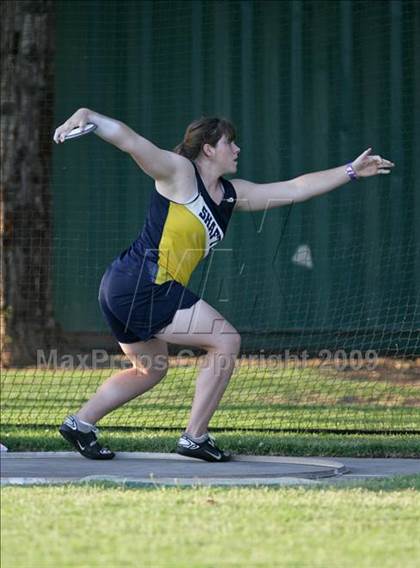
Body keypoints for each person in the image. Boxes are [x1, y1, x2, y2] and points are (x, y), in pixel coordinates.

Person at [53, 109, 394, 461]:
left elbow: (294, 188)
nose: (237, 149)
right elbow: (132, 142)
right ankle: (195, 437)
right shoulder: (180, 173)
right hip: (143, 283)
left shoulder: (231, 195)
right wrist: (87, 115)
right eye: (229, 142)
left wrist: (352, 171)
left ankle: (81, 423)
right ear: (208, 149)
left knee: (150, 370)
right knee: (226, 340)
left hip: (124, 285)